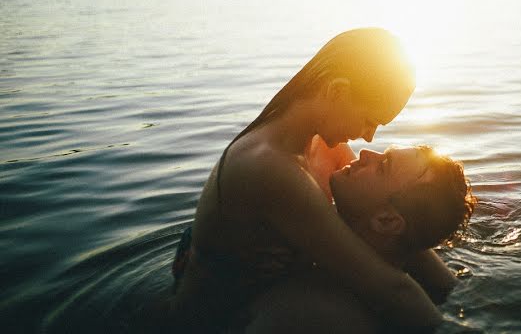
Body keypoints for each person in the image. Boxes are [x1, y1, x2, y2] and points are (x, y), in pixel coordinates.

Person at [168, 29, 457, 332]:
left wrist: (459, 292)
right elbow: (390, 288)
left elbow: (399, 224)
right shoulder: (268, 166)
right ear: (337, 92)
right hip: (207, 318)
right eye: (370, 120)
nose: (369, 137)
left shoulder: (327, 149)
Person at [242, 145, 476, 333]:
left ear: (386, 221)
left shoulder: (311, 312)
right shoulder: (401, 248)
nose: (365, 153)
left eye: (383, 166)